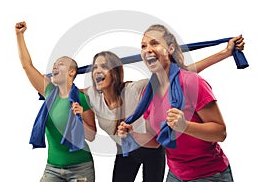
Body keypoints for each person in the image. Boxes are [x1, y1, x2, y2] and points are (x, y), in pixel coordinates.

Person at [85, 30, 244, 182]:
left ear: (116, 71)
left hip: (195, 167)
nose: (98, 71)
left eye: (105, 66)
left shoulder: (136, 89)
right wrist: (130, 133)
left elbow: (182, 73)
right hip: (155, 156)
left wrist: (225, 53)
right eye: (95, 67)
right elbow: (67, 87)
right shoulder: (93, 95)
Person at [15, 21, 96, 182]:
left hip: (80, 168)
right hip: (52, 169)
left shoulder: (82, 99)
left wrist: (79, 118)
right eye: (53, 65)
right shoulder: (49, 92)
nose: (54, 67)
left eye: (60, 64)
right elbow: (27, 66)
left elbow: (92, 136)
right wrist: (19, 36)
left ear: (72, 72)